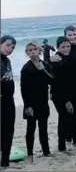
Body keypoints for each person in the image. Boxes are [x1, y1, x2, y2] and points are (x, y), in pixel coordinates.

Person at [20, 41, 53, 163]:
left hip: (43, 102)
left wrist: (42, 70)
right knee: (31, 129)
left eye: (35, 49)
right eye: (30, 50)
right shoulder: (26, 68)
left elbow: (52, 81)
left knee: (43, 128)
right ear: (27, 53)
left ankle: (46, 151)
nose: (33, 52)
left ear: (40, 50)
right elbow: (23, 89)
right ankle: (30, 154)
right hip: (31, 104)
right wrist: (27, 106)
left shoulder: (45, 64)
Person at [50, 37, 74, 152]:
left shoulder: (66, 58)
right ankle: (61, 147)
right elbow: (59, 83)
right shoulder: (57, 61)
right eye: (63, 47)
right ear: (58, 48)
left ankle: (67, 141)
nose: (66, 49)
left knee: (67, 118)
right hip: (59, 94)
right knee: (63, 119)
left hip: (66, 93)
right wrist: (66, 101)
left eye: (68, 46)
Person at [1, 35, 16, 168]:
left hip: (9, 100)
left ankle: (5, 160)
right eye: (8, 45)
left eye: (12, 47)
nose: (10, 48)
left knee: (9, 130)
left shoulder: (7, 61)